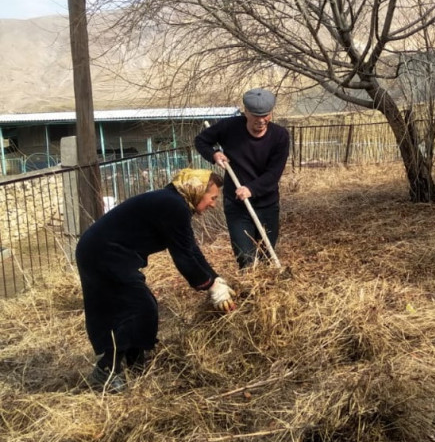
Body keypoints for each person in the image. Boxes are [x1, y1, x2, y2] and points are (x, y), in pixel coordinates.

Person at [76, 169, 237, 393]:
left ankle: (135, 365)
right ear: (197, 191)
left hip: (106, 252)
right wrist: (210, 286)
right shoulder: (173, 205)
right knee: (139, 307)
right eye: (212, 198)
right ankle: (106, 371)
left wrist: (215, 278)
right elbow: (183, 256)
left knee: (137, 306)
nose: (212, 204)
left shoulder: (174, 203)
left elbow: (190, 249)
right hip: (104, 254)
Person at [195, 88, 290, 269]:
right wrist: (214, 154)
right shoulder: (229, 128)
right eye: (256, 115)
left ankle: (268, 291)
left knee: (267, 255)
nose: (261, 120)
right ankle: (250, 290)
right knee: (245, 258)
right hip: (237, 205)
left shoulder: (280, 136)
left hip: (267, 204)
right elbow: (201, 141)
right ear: (245, 111)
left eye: (266, 115)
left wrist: (251, 189)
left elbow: (273, 173)